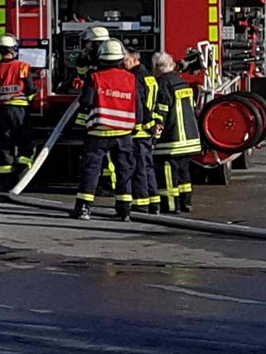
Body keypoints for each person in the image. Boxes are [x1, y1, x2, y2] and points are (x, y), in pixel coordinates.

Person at [71, 40, 145, 221]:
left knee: (91, 171)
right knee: (124, 172)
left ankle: (83, 209)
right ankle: (124, 211)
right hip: (124, 134)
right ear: (121, 58)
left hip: (98, 133)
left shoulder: (95, 77)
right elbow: (140, 108)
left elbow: (86, 102)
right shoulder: (132, 78)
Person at [151, 52, 202, 214]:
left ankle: (171, 206)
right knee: (183, 174)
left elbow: (162, 111)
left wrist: (155, 134)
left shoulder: (162, 84)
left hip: (171, 140)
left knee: (167, 175)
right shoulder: (183, 83)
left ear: (158, 68)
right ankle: (186, 202)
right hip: (189, 139)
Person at [0, 35, 36, 177]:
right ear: (14, 49)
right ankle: (23, 170)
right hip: (19, 110)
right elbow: (31, 88)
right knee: (24, 140)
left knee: (4, 143)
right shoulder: (22, 66)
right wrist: (31, 101)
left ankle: (6, 176)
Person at [125, 49, 163, 212]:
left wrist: (148, 124)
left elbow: (141, 105)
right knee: (147, 167)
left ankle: (141, 203)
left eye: (126, 59)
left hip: (139, 130)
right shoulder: (149, 77)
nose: (123, 62)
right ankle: (154, 202)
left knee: (138, 168)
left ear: (134, 60)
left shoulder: (136, 78)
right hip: (147, 131)